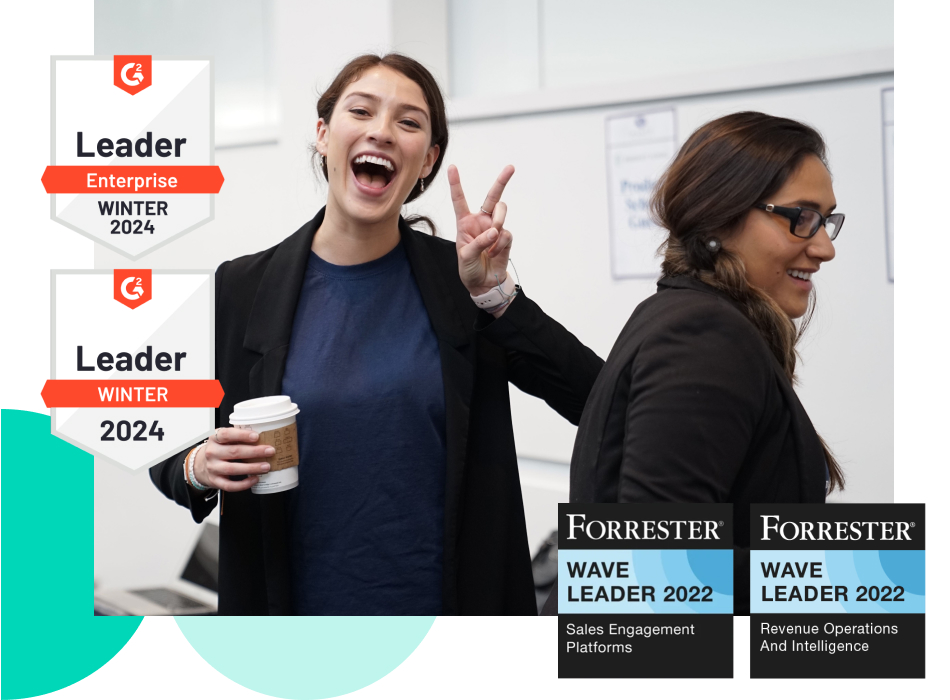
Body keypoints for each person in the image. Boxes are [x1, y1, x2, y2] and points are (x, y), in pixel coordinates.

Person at [149, 53, 603, 616]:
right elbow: (165, 448)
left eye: (409, 123)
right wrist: (199, 466)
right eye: (361, 110)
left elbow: (599, 400)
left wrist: (495, 296)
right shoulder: (243, 286)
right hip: (294, 627)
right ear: (323, 134)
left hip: (447, 625)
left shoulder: (460, 283)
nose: (382, 132)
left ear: (427, 160)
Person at [544, 111, 845, 615]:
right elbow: (658, 569)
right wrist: (874, 585)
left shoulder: (698, 318)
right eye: (801, 217)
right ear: (720, 216)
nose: (825, 247)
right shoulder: (703, 335)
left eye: (827, 219)